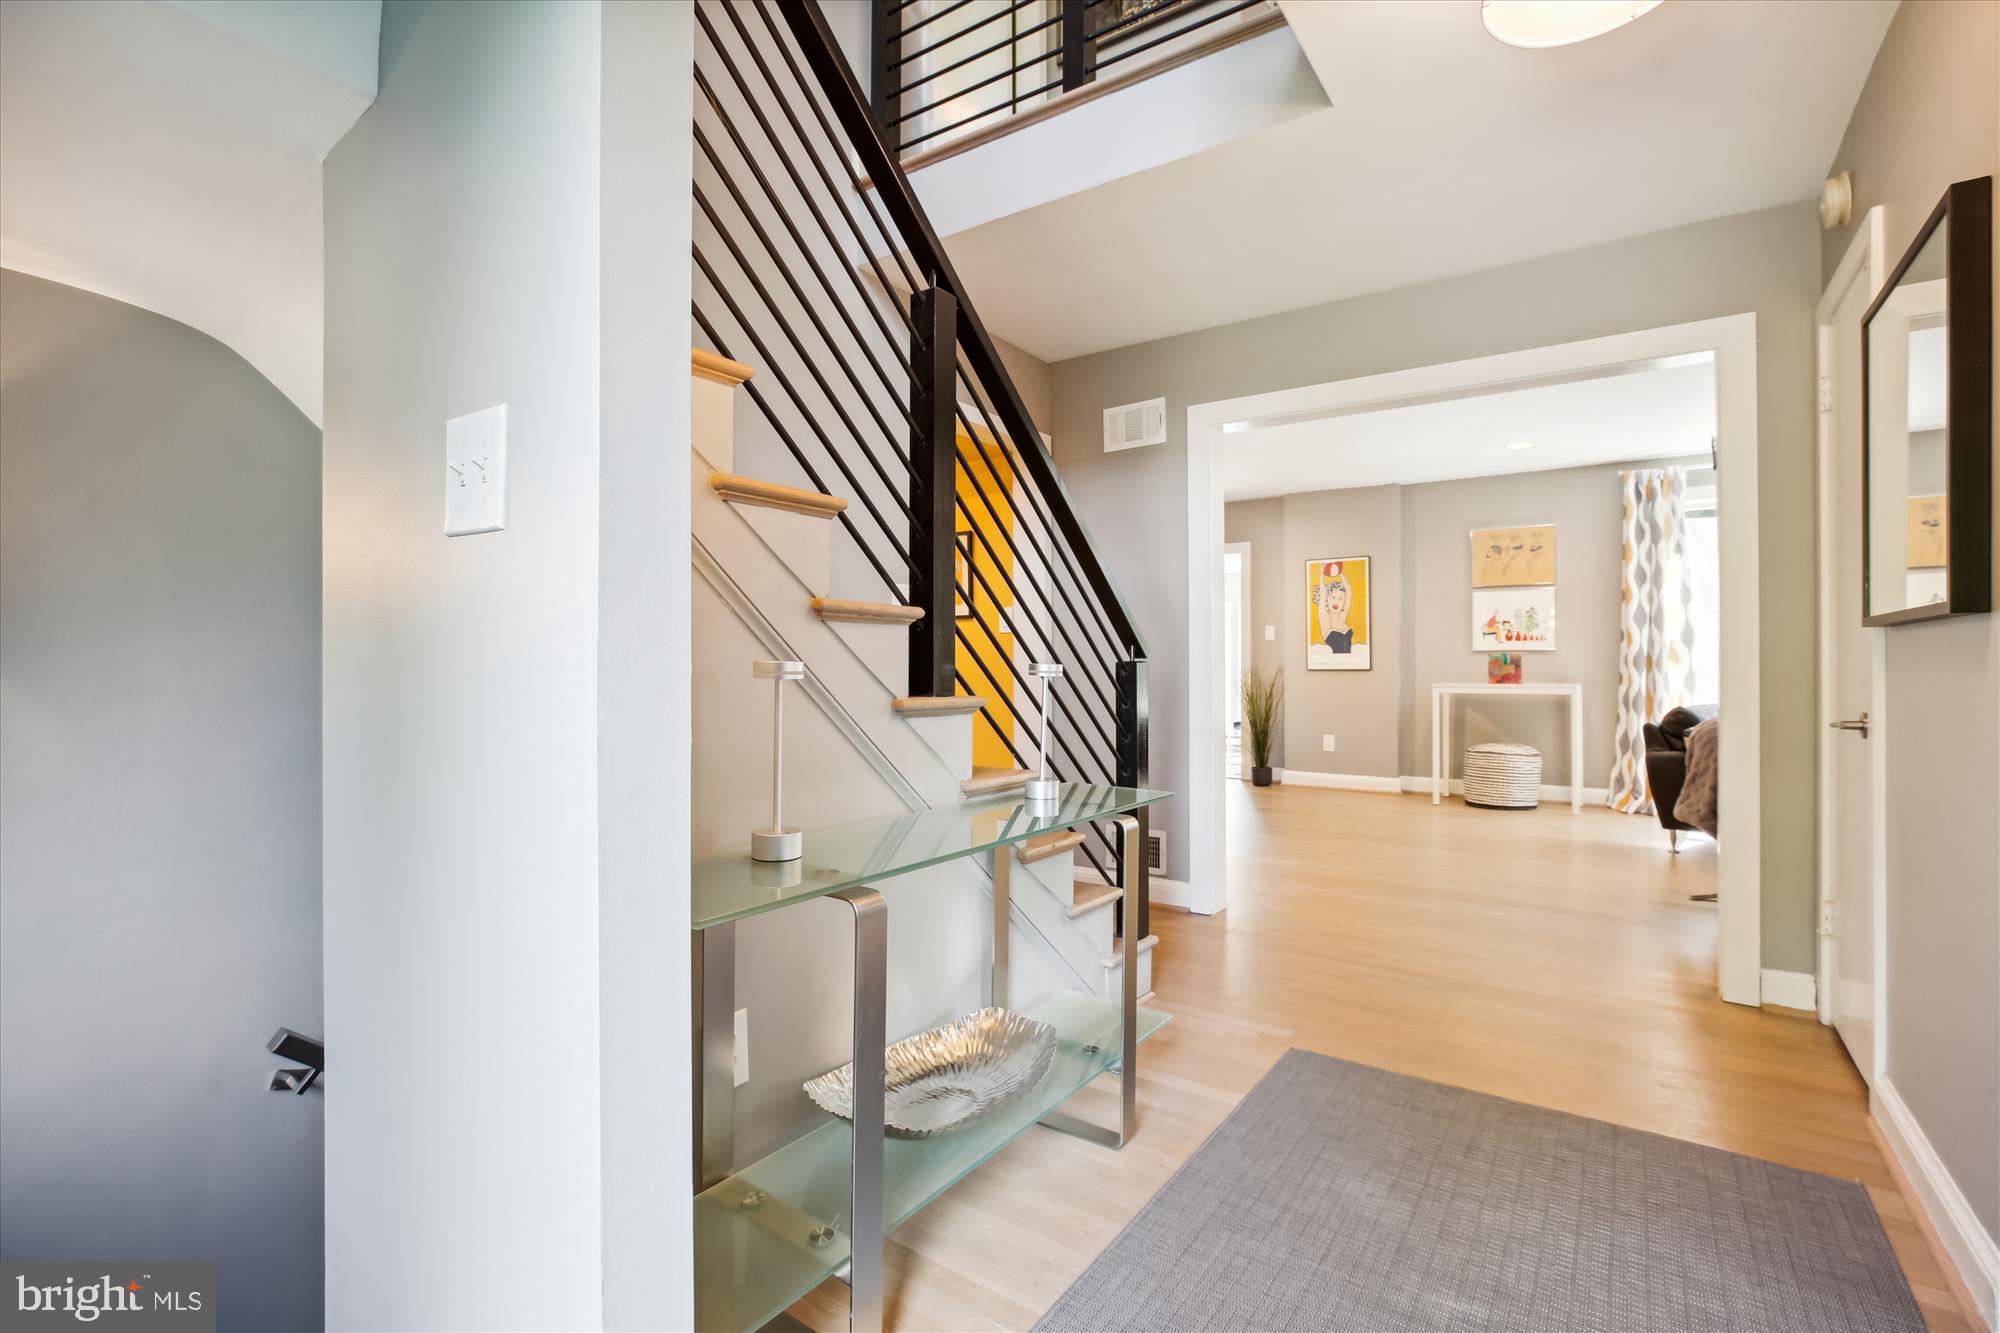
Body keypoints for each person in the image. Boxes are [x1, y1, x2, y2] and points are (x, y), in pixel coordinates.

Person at [1316, 564, 1354, 653]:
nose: (1336, 602)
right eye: (1333, 597)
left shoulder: (1342, 617)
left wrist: (1338, 572)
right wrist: (1322, 572)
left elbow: (1348, 589)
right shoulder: (1325, 618)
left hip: (1351, 661)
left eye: (1340, 599)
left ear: (1344, 602)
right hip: (1335, 661)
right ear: (1326, 599)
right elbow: (1323, 592)